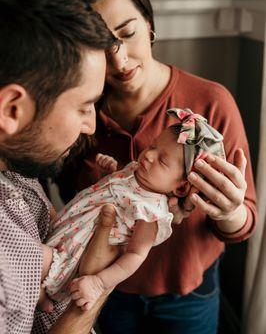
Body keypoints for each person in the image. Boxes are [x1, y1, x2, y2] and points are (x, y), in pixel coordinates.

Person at [58, 0, 258, 334]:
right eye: (100, 44)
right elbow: (72, 198)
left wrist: (228, 210)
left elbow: (244, 221)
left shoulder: (209, 104)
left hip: (188, 294)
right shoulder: (80, 113)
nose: (118, 58)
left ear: (149, 24)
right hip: (101, 291)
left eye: (127, 33)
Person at [0, 0, 121, 334]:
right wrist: (99, 275)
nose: (90, 125)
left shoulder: (16, 165)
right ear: (11, 110)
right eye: (85, 106)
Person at [41, 108, 225, 312]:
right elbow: (117, 193)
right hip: (66, 231)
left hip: (70, 257)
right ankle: (42, 300)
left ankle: (44, 298)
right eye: (153, 145)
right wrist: (110, 172)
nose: (149, 155)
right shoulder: (134, 172)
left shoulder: (150, 213)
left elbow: (135, 255)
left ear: (180, 187)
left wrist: (99, 283)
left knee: (28, 255)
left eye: (162, 160)